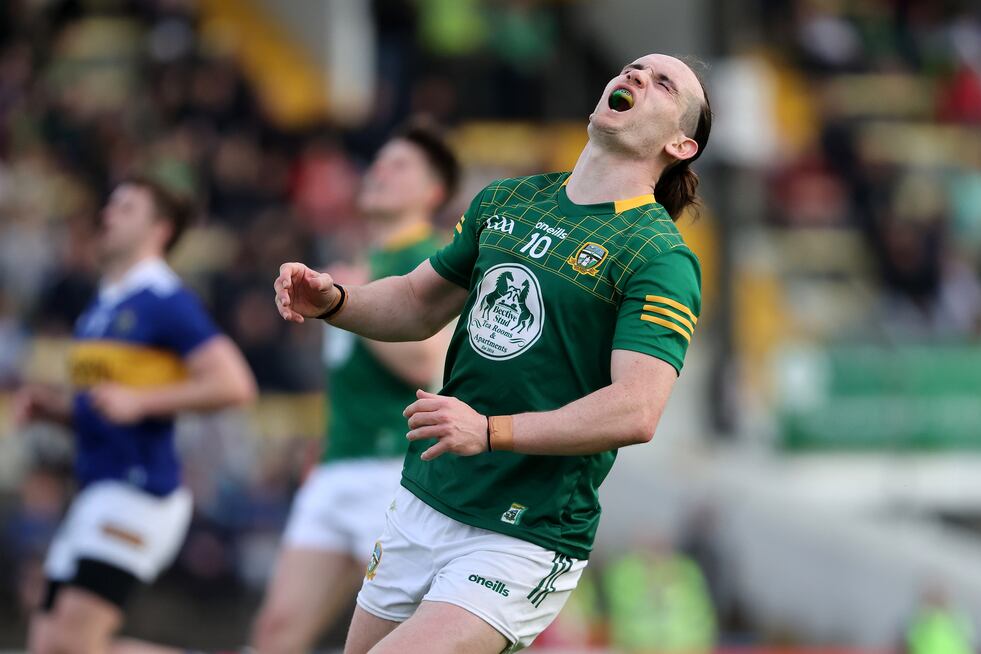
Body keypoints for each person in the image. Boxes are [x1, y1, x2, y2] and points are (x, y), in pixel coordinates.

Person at [274, 53, 712, 654]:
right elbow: (416, 302)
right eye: (633, 69)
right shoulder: (507, 200)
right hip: (427, 495)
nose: (637, 77)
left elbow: (636, 411)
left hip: (525, 532)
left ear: (681, 146)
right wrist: (336, 301)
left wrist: (489, 430)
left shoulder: (660, 255)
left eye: (664, 84)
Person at [15, 175, 257, 654]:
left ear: (160, 229)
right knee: (49, 644)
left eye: (125, 208)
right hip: (94, 492)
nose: (108, 215)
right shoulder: (103, 305)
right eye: (110, 205)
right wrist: (58, 412)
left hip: (138, 491)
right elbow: (108, 408)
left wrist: (142, 401)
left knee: (72, 643)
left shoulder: (166, 300)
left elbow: (234, 384)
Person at [252, 124, 458, 654]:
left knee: (394, 641)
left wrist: (346, 306)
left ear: (432, 193)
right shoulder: (358, 260)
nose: (380, 172)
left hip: (394, 471)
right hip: (339, 463)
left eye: (400, 166)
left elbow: (422, 362)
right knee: (276, 633)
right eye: (380, 162)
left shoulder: (434, 258)